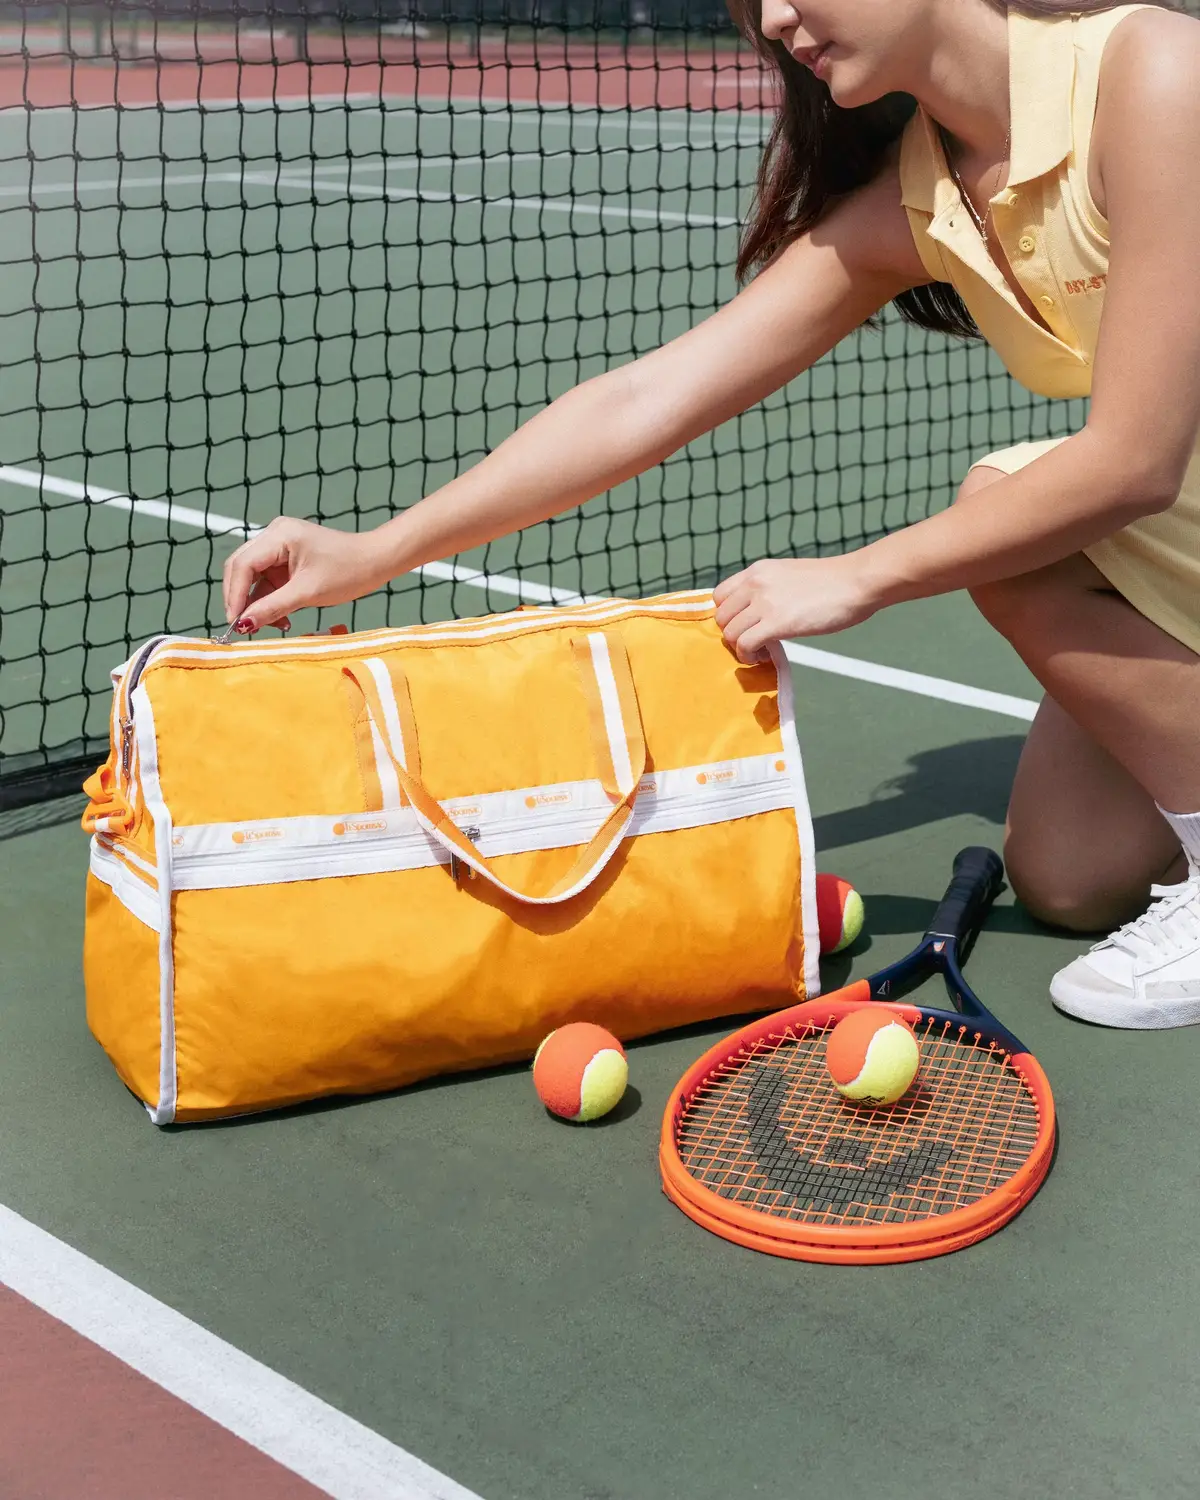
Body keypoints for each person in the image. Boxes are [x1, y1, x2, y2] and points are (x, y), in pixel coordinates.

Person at [222, 1, 1200, 1029]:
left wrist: (859, 572)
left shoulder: (1154, 73)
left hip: (1163, 497)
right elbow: (648, 400)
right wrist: (379, 551)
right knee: (1070, 878)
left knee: (1004, 520)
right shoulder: (924, 194)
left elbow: (1132, 461)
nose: (776, 19)